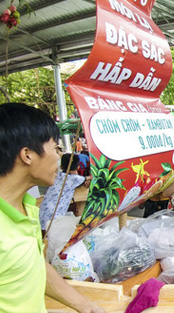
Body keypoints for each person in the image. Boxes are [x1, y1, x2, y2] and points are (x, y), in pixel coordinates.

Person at [0, 103, 105, 312]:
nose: (59, 156)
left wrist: (86, 305)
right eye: (56, 148)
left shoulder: (26, 208)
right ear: (27, 154)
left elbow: (32, 266)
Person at [39, 153, 87, 231]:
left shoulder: (58, 176)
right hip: (53, 219)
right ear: (78, 166)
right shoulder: (73, 179)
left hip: (43, 214)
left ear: (61, 166)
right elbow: (90, 179)